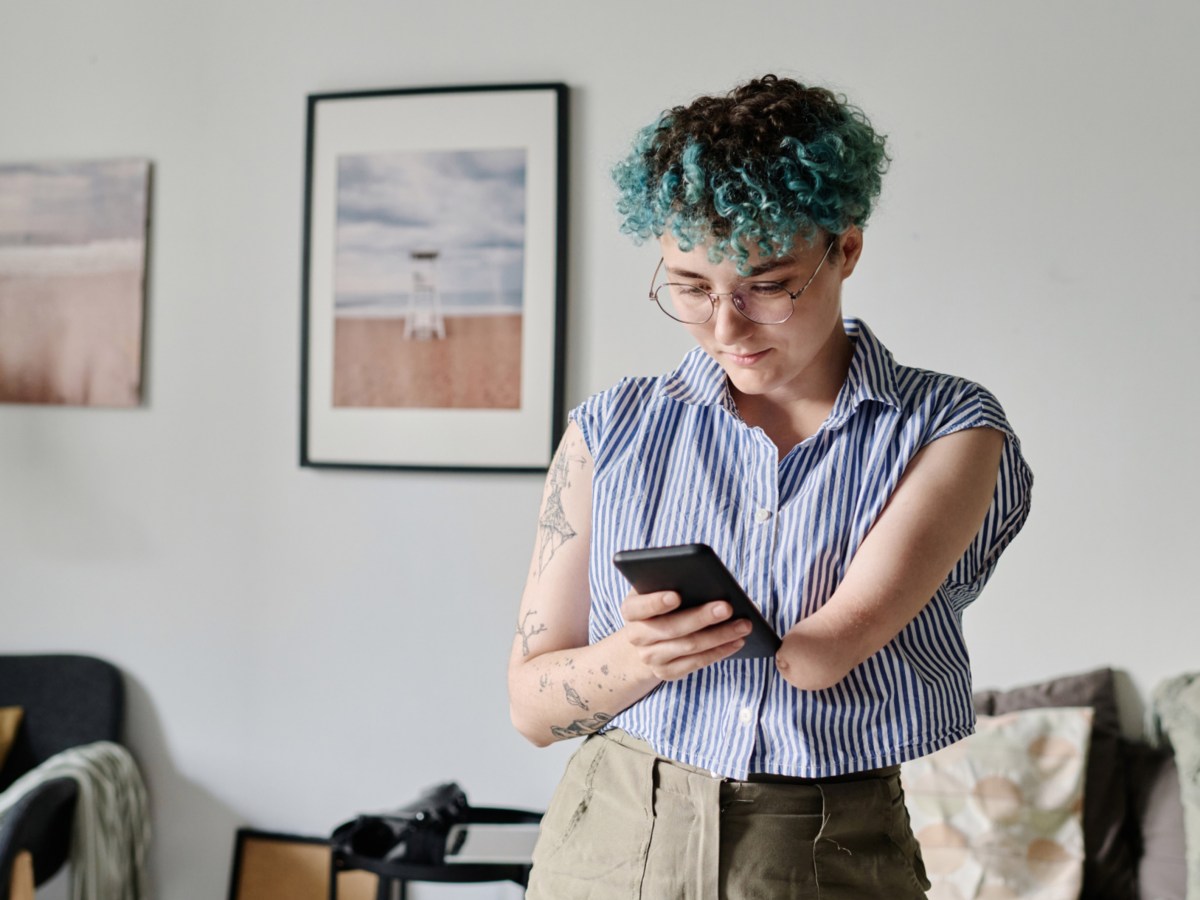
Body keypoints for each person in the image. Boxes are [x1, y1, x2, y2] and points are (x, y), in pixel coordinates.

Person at [508, 74, 1032, 899]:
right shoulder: (609, 431)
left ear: (846, 249)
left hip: (827, 852)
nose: (725, 326)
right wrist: (636, 654)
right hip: (609, 839)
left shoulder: (949, 428)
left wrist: (730, 637)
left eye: (767, 285)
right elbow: (533, 710)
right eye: (689, 287)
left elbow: (822, 656)